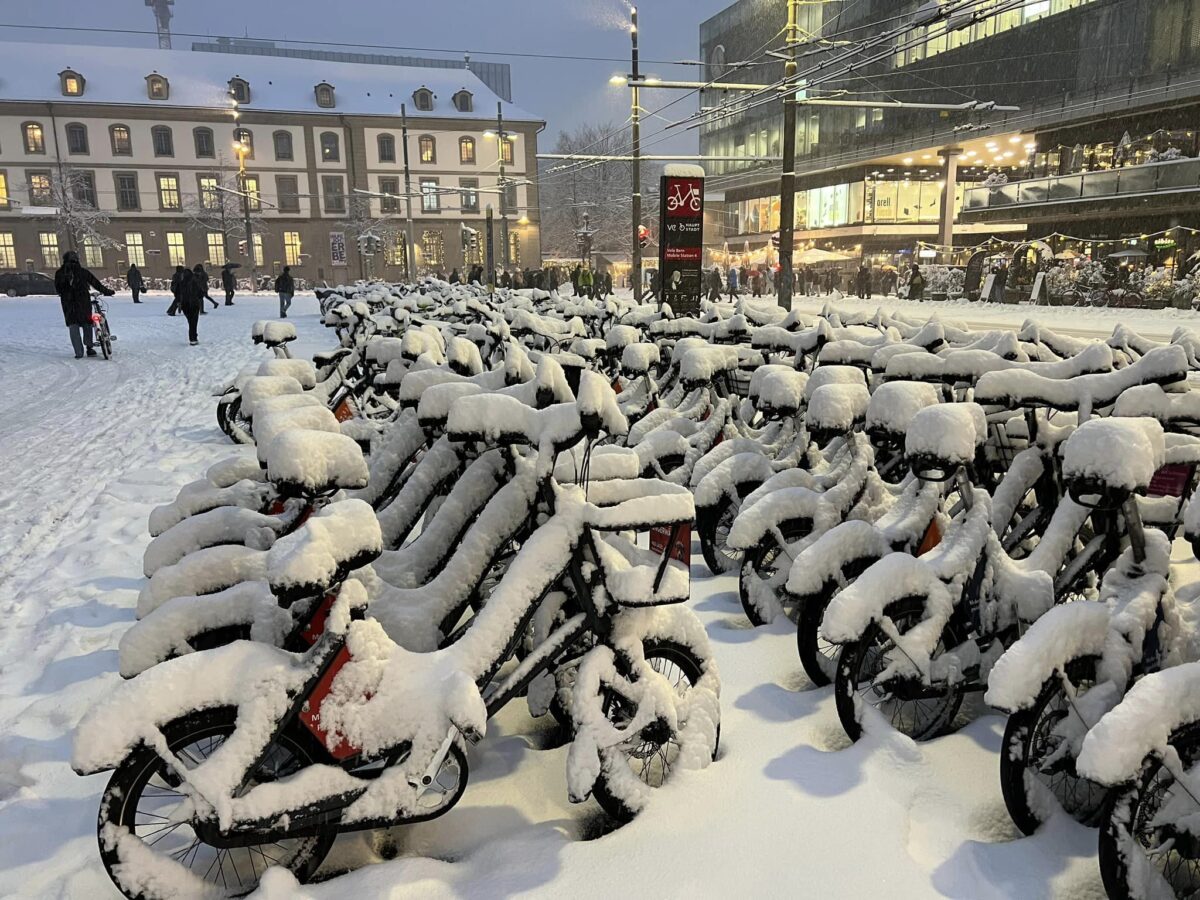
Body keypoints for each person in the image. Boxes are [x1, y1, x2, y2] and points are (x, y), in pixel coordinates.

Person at [55, 250, 114, 358]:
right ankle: (89, 348)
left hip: (68, 303)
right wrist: (107, 291)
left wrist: (67, 288)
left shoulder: (59, 273)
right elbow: (95, 283)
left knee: (73, 326)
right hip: (82, 301)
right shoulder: (82, 272)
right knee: (87, 323)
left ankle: (78, 352)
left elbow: (58, 289)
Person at [178, 267, 203, 345]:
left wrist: (180, 302)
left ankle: (192, 337)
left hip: (185, 305)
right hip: (194, 304)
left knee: (190, 321)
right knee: (194, 322)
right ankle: (193, 338)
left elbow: (177, 293)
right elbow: (200, 293)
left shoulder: (181, 283)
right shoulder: (195, 282)